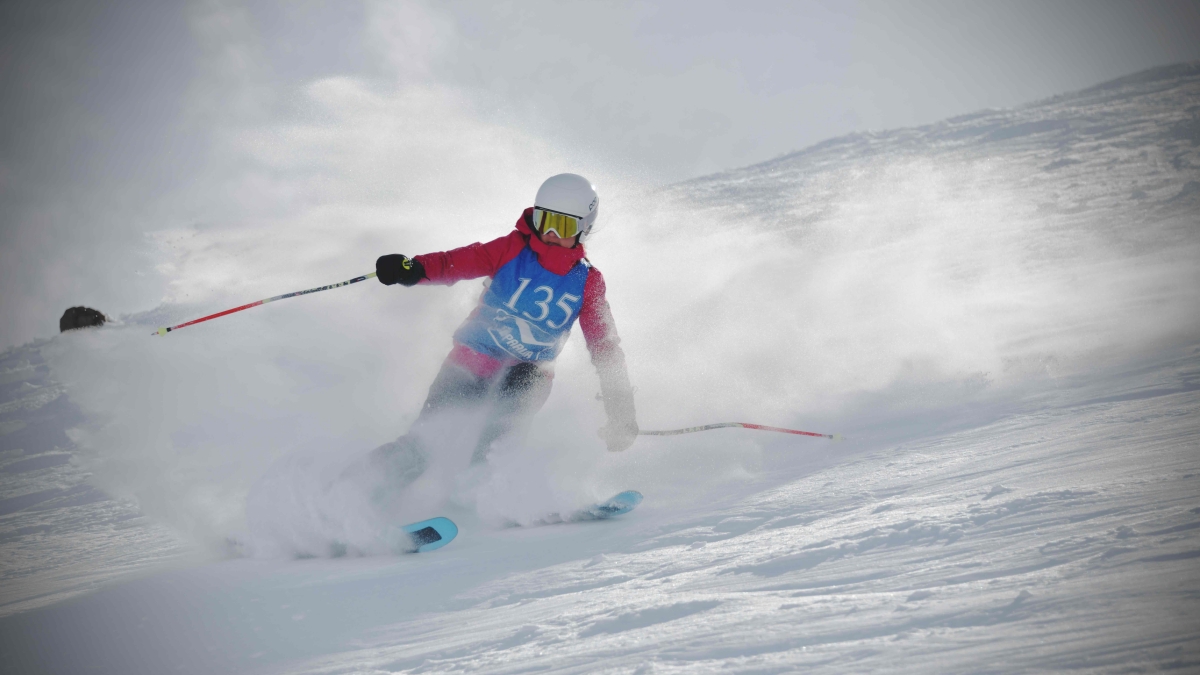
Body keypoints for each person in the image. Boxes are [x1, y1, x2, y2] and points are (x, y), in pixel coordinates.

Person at [368, 174, 637, 489]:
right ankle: (359, 489)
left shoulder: (587, 282)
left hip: (528, 373)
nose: (550, 233)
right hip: (473, 358)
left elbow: (605, 346)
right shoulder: (510, 250)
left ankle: (475, 499)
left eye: (562, 226)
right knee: (427, 442)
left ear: (583, 228)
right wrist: (412, 269)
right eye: (544, 220)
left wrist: (620, 409)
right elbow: (454, 263)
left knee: (495, 445)